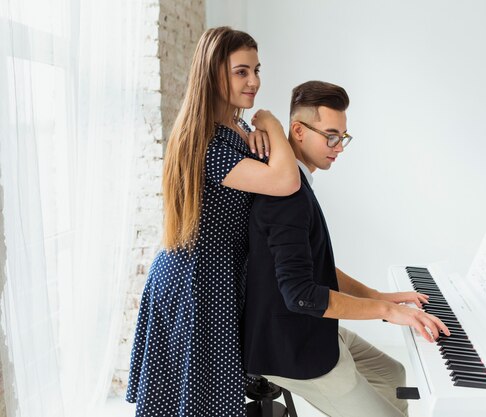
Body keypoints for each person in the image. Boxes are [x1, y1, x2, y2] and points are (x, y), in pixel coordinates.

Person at [243, 80, 450, 417]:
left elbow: (311, 267)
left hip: (312, 331)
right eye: (331, 136)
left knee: (392, 374)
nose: (339, 147)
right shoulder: (287, 198)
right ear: (297, 130)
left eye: (343, 138)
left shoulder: (297, 185)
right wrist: (388, 312)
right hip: (290, 348)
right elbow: (301, 294)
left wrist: (377, 296)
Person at [126, 27, 300, 417]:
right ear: (211, 73)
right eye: (242, 71)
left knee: (209, 402)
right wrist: (270, 121)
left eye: (256, 70)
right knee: (194, 405)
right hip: (196, 283)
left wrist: (257, 129)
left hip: (216, 280)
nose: (254, 81)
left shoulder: (237, 131)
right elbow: (285, 182)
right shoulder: (207, 142)